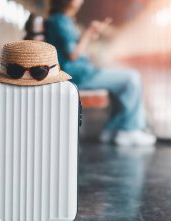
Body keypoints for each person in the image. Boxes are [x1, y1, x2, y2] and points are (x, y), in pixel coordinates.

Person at [45, 0, 156, 146]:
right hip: (78, 75)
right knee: (132, 78)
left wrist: (89, 35)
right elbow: (73, 54)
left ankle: (113, 129)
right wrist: (88, 33)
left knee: (124, 82)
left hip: (78, 72)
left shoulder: (59, 20)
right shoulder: (60, 20)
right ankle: (128, 130)